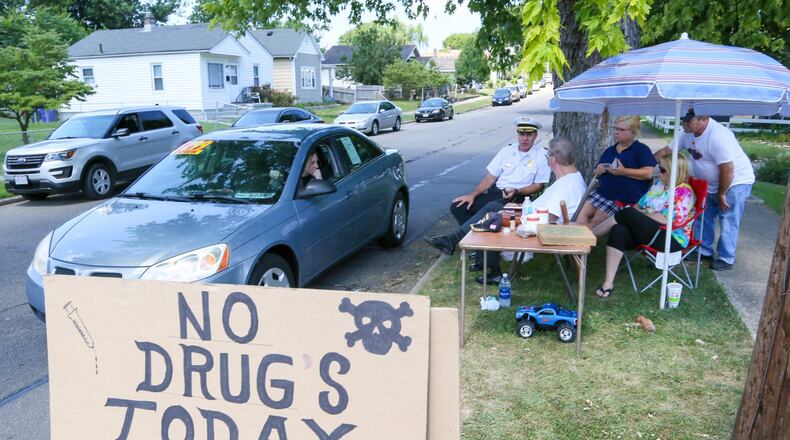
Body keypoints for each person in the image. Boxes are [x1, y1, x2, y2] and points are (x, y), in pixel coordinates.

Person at [424, 137, 587, 284]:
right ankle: (456, 244)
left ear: (554, 159)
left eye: (548, 156)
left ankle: (455, 243)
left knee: (493, 214)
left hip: (541, 229)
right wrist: (517, 209)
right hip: (537, 221)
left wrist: (515, 214)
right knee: (493, 211)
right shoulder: (570, 179)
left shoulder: (567, 184)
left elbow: (548, 218)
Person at [655, 109, 755, 271]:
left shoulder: (718, 136)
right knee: (704, 215)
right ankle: (704, 250)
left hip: (735, 182)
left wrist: (722, 193)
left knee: (728, 218)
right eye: (683, 120)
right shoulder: (686, 133)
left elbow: (728, 169)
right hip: (712, 183)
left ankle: (726, 257)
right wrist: (644, 164)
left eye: (688, 121)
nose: (684, 124)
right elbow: (667, 152)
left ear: (704, 119)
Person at [593, 153, 696, 298]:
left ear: (674, 172)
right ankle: (608, 283)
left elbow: (666, 219)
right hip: (651, 231)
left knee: (627, 213)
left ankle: (591, 237)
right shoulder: (658, 186)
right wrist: (640, 215)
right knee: (619, 230)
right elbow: (638, 206)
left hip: (670, 239)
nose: (658, 172)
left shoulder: (683, 191)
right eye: (659, 168)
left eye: (663, 170)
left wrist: (640, 216)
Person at [448, 117, 551, 227]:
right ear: (518, 135)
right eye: (521, 134)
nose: (524, 138)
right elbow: (490, 177)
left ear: (535, 136)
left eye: (529, 135)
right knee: (458, 207)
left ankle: (459, 237)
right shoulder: (507, 150)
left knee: (492, 207)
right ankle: (474, 235)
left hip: (520, 197)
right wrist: (472, 195)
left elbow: (538, 186)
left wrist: (517, 191)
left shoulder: (542, 155)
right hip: (497, 193)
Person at [576, 116, 656, 227]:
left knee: (594, 224)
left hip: (621, 199)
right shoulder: (611, 150)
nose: (616, 132)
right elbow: (596, 171)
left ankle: (582, 241)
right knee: (579, 217)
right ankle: (579, 241)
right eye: (616, 128)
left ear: (633, 132)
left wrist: (623, 171)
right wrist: (598, 169)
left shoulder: (641, 150)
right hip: (602, 193)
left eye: (621, 130)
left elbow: (649, 173)